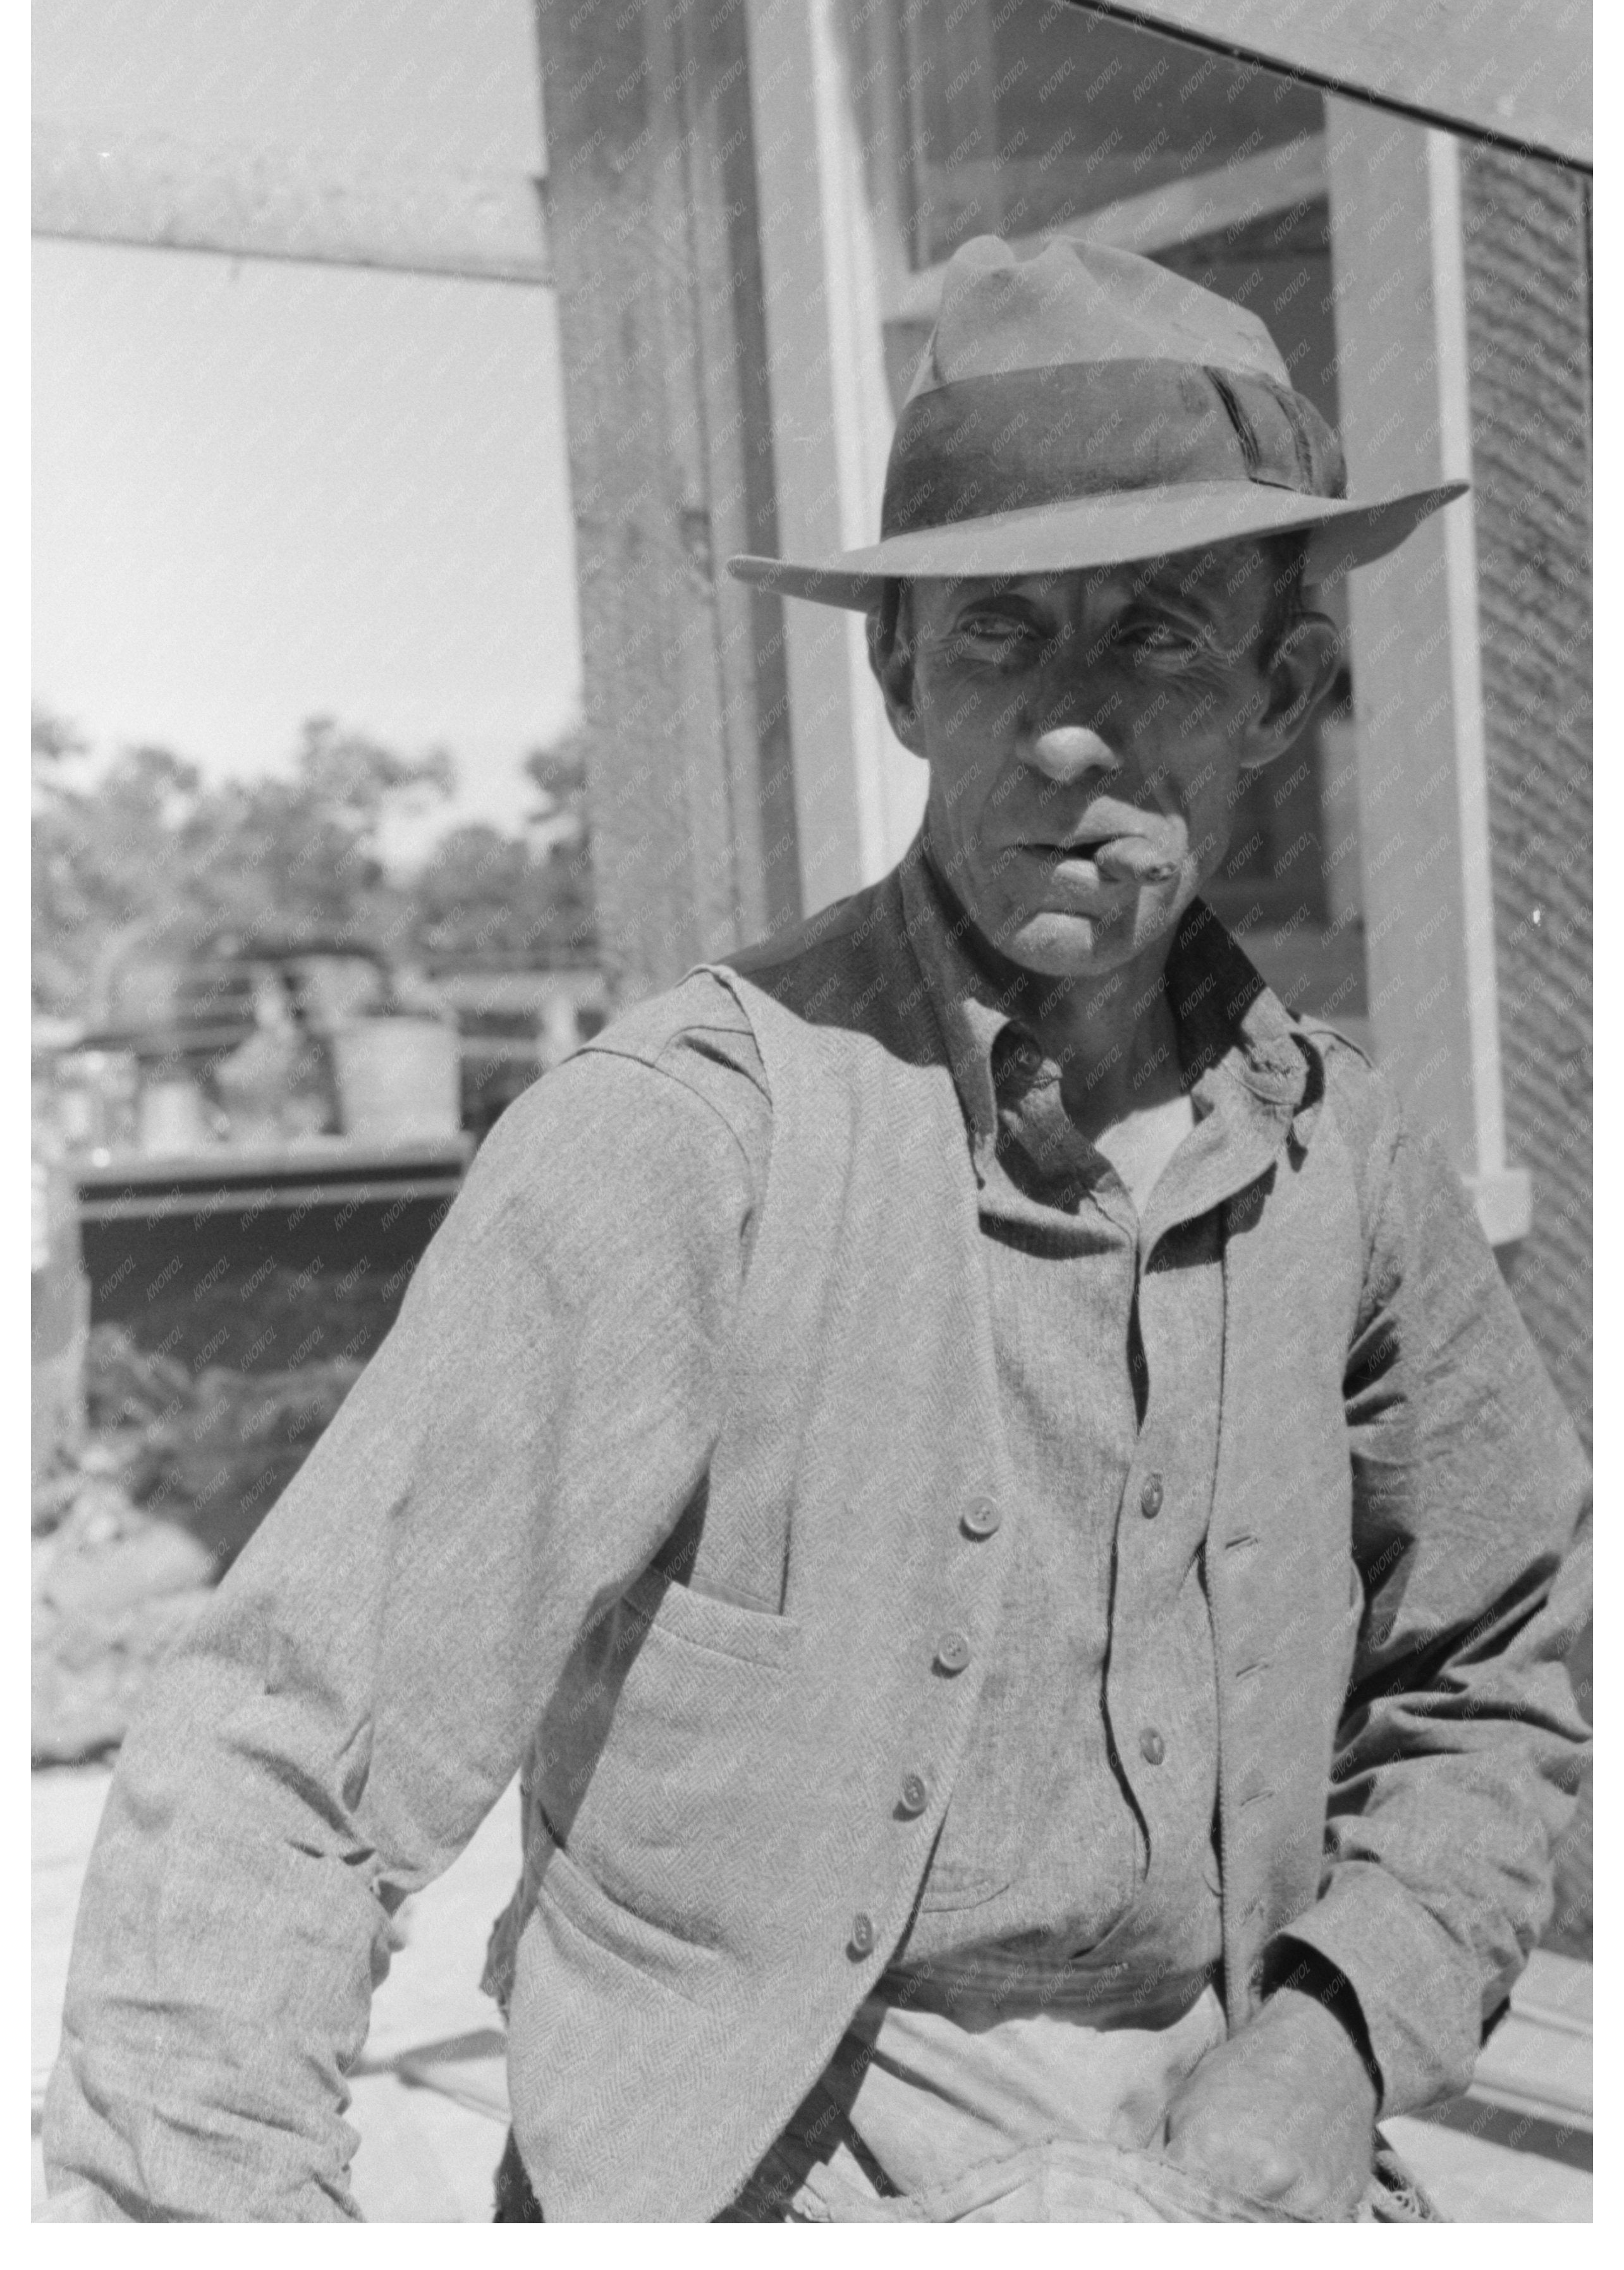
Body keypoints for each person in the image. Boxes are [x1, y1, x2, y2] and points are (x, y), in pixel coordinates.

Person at [43, 236, 1590, 2224]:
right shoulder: (685, 1147)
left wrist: (1333, 2036)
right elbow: (276, 1764)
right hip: (764, 2191)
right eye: (1000, 638)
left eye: (1157, 638)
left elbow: (1503, 1668)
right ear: (897, 675)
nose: (1064, 731)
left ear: (1282, 688)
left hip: (1229, 2173)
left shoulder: (1346, 1169)